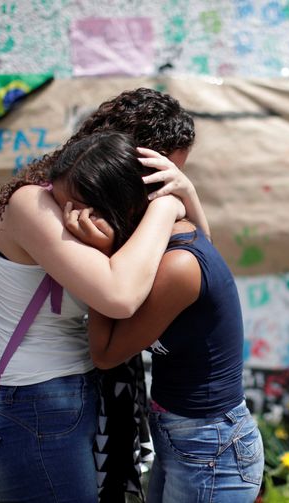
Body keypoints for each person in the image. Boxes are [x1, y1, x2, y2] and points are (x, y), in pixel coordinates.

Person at [0, 89, 205, 503]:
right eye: (159, 176)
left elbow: (198, 259)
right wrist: (169, 208)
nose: (158, 193)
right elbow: (118, 296)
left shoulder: (105, 213)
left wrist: (188, 195)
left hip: (73, 399)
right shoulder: (35, 203)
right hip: (34, 407)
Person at [60, 131, 264, 503]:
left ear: (115, 206)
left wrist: (99, 258)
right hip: (187, 436)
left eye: (87, 211)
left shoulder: (179, 264)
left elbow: (105, 353)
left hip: (211, 449)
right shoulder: (162, 248)